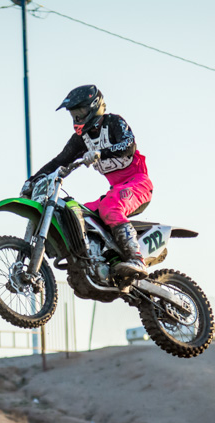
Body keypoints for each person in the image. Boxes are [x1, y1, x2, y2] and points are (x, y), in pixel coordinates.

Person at [23, 85, 150, 279]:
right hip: (116, 190)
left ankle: (136, 259)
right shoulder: (81, 139)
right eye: (74, 114)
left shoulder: (114, 122)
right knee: (76, 214)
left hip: (138, 183)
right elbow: (59, 161)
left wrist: (101, 153)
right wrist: (32, 181)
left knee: (110, 207)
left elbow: (128, 145)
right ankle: (103, 260)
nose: (77, 118)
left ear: (94, 107)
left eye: (80, 112)